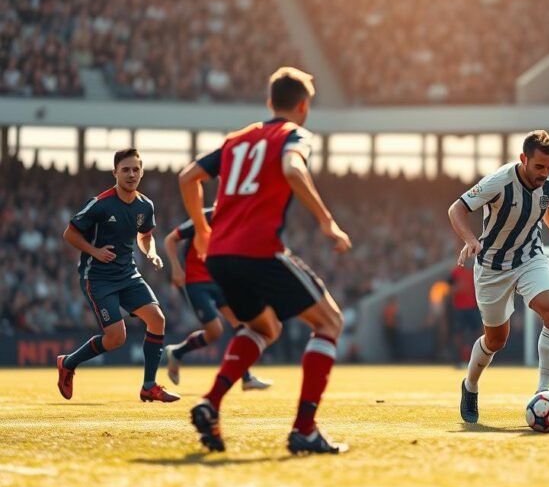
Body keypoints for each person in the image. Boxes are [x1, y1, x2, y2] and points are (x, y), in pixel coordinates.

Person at [178, 67, 353, 454]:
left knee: (264, 327)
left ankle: (210, 402)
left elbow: (188, 177)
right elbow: (293, 168)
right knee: (330, 322)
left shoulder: (236, 140)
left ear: (269, 102)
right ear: (304, 106)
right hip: (258, 249)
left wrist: (202, 231)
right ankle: (305, 429)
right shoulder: (294, 134)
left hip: (220, 254)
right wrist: (327, 222)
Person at [448, 130, 549, 424]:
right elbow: (456, 209)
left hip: (530, 257)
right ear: (523, 159)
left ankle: (543, 391)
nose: (545, 173)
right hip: (492, 267)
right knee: (496, 340)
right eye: (539, 167)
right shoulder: (499, 181)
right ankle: (470, 386)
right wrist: (470, 239)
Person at [57, 148, 179, 403]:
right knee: (116, 339)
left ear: (141, 171)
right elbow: (69, 233)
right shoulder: (100, 204)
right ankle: (68, 363)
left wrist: (151, 253)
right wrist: (94, 251)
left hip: (128, 275)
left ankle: (149, 386)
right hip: (98, 277)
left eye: (136, 169)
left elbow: (145, 236)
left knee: (157, 319)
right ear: (115, 173)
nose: (131, 174)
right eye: (125, 169)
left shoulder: (145, 206)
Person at [162, 206, 271, 390]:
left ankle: (246, 378)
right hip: (196, 282)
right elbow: (170, 239)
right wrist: (176, 268)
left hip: (219, 281)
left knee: (241, 324)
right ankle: (178, 352)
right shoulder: (204, 216)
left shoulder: (239, 220)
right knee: (215, 332)